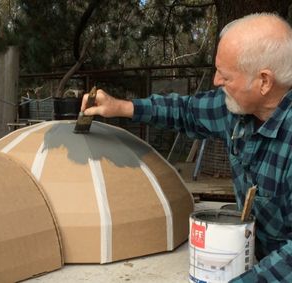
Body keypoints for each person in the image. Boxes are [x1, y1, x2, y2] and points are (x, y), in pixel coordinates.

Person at [81, 13, 292, 282]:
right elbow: (185, 111)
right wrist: (121, 107)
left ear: (264, 81)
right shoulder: (239, 110)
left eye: (225, 75)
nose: (216, 81)